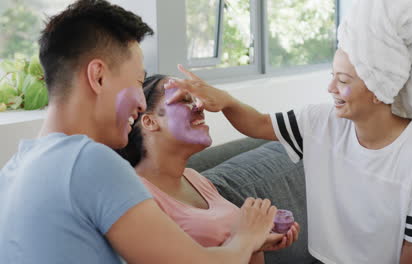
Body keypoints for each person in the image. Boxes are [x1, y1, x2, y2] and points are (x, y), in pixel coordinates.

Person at [163, 0, 412, 263]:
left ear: (379, 89)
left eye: (343, 81)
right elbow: (257, 123)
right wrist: (226, 100)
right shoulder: (322, 123)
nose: (331, 88)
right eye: (332, 76)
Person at [0, 1, 278, 263]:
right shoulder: (90, 162)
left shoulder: (13, 170)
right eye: (138, 81)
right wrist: (248, 236)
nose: (142, 102)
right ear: (98, 76)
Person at [116, 75, 301, 264]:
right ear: (150, 122)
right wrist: (247, 238)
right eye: (184, 100)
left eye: (196, 99)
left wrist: (258, 241)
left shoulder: (195, 179)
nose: (199, 106)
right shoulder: (137, 196)